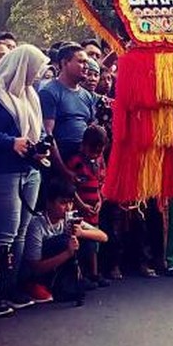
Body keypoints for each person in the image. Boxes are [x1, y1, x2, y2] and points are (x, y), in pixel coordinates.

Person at [0, 44, 51, 315]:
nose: (37, 75)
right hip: (3, 170)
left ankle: (9, 286)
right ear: (21, 66)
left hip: (30, 169)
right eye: (34, 69)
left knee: (22, 231)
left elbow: (35, 131)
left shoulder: (30, 95)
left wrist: (39, 147)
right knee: (6, 231)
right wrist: (10, 142)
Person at [22, 178, 107, 304]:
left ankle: (71, 280)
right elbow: (35, 266)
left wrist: (81, 233)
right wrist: (67, 253)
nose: (68, 208)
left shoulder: (69, 218)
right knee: (63, 241)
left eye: (70, 203)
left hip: (62, 265)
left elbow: (103, 236)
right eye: (63, 203)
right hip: (40, 272)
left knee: (89, 242)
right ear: (49, 203)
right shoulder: (37, 224)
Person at [39, 43, 95, 175]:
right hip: (60, 165)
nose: (86, 66)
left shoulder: (86, 95)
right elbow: (48, 135)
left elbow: (91, 128)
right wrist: (64, 170)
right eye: (81, 62)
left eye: (87, 62)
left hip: (84, 165)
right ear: (64, 63)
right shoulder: (49, 92)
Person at [65, 124, 109, 288]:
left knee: (94, 243)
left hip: (94, 208)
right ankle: (80, 275)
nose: (96, 155)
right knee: (79, 243)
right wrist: (81, 204)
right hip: (79, 209)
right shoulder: (75, 161)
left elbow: (101, 183)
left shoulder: (99, 160)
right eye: (93, 151)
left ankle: (94, 273)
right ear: (83, 145)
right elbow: (70, 187)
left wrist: (100, 200)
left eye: (100, 151)